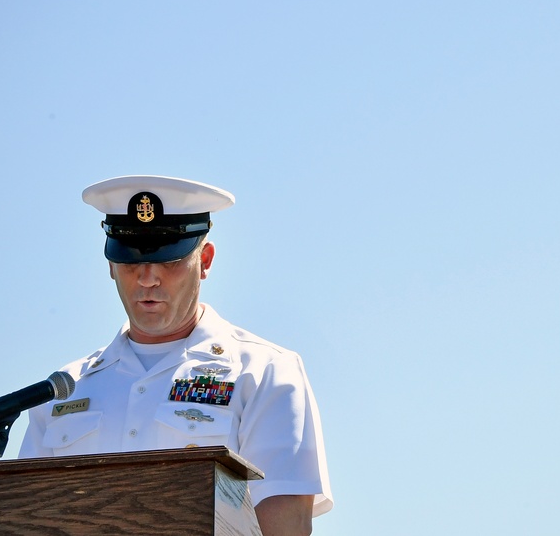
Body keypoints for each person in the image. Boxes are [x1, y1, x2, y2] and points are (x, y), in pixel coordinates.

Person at [19, 175, 333, 535]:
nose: (148, 278)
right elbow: (26, 519)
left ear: (206, 261)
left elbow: (285, 527)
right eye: (130, 260)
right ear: (109, 265)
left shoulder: (265, 373)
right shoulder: (62, 390)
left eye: (169, 260)